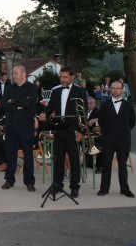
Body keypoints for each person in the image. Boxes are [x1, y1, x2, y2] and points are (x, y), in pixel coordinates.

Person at [39, 66, 86, 198]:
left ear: (72, 77)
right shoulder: (56, 91)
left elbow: (83, 113)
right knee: (58, 160)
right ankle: (57, 185)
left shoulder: (80, 92)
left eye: (65, 77)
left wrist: (81, 131)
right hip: (59, 129)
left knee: (74, 160)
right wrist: (44, 113)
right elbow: (51, 107)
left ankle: (74, 187)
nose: (62, 79)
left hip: (73, 130)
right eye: (61, 76)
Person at [1, 66, 38, 192]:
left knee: (28, 154)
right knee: (10, 153)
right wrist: (18, 104)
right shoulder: (9, 88)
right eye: (13, 73)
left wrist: (14, 103)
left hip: (26, 126)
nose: (13, 75)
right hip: (11, 125)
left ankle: (29, 182)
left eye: (16, 73)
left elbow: (28, 103)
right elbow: (4, 104)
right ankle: (9, 180)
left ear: (24, 74)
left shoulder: (32, 88)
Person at [97, 81, 136, 198]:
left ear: (122, 90)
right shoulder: (104, 105)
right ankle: (104, 189)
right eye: (112, 88)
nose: (115, 90)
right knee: (106, 164)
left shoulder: (129, 106)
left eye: (117, 88)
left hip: (124, 140)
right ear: (110, 90)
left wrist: (123, 132)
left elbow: (132, 122)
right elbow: (101, 122)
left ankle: (125, 189)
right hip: (108, 139)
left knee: (123, 165)